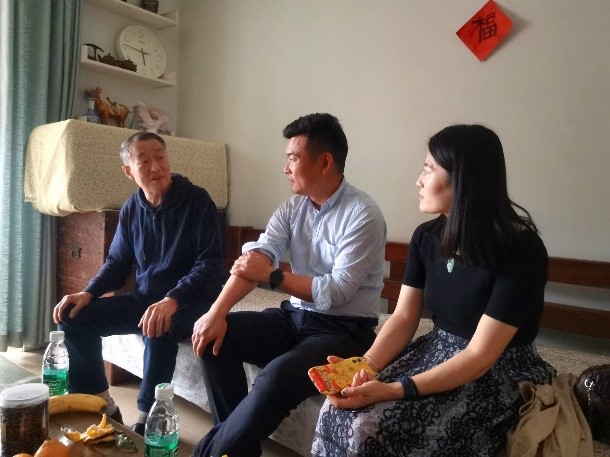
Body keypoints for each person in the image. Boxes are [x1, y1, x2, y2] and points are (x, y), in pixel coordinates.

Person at [311, 124, 556, 456]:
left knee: (372, 428)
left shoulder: (521, 249)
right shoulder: (427, 237)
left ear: (462, 179)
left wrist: (393, 390)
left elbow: (479, 356)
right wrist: (365, 365)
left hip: (497, 370)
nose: (419, 180)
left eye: (428, 169)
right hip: (437, 351)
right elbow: (404, 317)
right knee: (336, 408)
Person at [191, 113, 387, 457]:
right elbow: (255, 261)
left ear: (324, 162)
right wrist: (215, 313)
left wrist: (274, 276)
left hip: (344, 331)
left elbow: (336, 291)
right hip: (295, 318)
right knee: (215, 338)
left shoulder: (363, 214)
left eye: (293, 159)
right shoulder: (291, 209)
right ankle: (239, 452)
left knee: (274, 378)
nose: (285, 168)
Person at [53, 131, 223, 434]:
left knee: (158, 324)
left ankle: (149, 416)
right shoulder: (132, 208)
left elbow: (209, 265)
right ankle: (100, 402)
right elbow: (118, 263)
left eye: (160, 157)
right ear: (129, 171)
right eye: (144, 160)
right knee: (73, 317)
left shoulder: (197, 201)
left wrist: (172, 300)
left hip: (192, 301)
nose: (156, 166)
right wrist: (88, 293)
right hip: (147, 298)